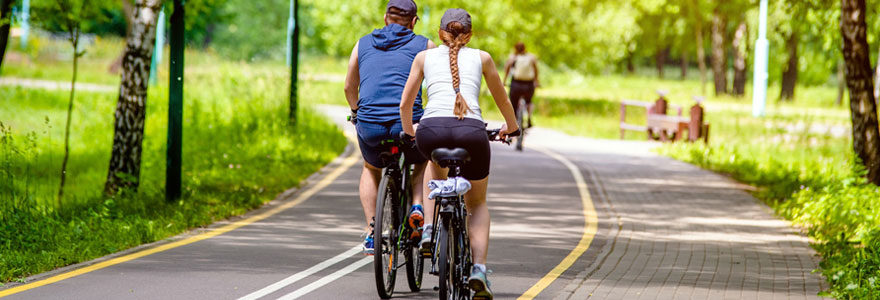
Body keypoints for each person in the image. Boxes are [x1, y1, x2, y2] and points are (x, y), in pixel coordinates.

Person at [399, 8, 519, 299]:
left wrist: (412, 132)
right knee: (476, 204)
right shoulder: (483, 58)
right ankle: (478, 269)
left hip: (431, 131)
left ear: (440, 33)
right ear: (469, 34)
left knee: (433, 166)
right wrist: (511, 128)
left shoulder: (423, 57)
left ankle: (428, 230)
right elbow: (502, 98)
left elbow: (405, 105)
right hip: (472, 134)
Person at [343, 0, 437, 256]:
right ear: (414, 22)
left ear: (385, 18)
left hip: (371, 124)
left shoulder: (362, 43)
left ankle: (373, 232)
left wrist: (356, 114)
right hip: (408, 124)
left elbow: (349, 88)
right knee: (423, 161)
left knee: (371, 167)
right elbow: (441, 87)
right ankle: (418, 207)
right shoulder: (426, 46)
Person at [503, 42, 540, 128]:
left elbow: (507, 69)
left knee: (513, 103)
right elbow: (536, 70)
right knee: (529, 101)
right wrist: (537, 81)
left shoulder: (513, 57)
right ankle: (529, 118)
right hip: (529, 84)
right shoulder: (531, 57)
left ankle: (514, 122)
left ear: (515, 48)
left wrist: (504, 81)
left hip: (516, 84)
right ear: (525, 48)